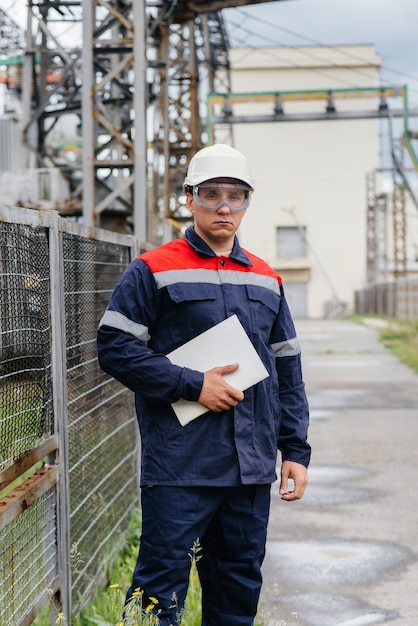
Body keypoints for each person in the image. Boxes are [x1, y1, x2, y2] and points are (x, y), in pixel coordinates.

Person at [96, 143, 311, 625]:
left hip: (249, 468)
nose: (224, 206)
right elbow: (114, 346)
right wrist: (191, 385)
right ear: (189, 198)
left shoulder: (267, 279)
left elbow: (288, 372)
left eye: (235, 196)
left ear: (247, 202)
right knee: (156, 590)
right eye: (211, 194)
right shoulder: (153, 269)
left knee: (237, 590)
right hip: (181, 464)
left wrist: (295, 450)